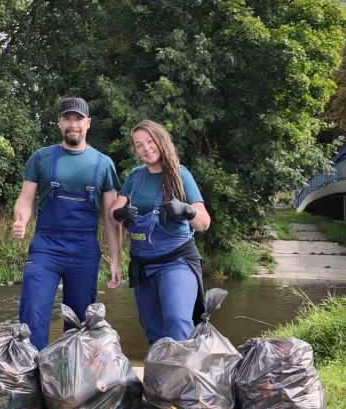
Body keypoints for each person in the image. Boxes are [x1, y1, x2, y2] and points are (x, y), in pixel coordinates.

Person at [12, 97, 122, 350]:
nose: (73, 124)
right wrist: (20, 220)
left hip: (84, 250)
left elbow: (109, 217)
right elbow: (25, 200)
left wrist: (116, 259)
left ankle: (69, 372)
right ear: (59, 123)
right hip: (45, 247)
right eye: (67, 119)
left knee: (80, 320)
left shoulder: (103, 164)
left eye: (78, 119)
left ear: (88, 123)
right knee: (33, 309)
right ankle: (31, 368)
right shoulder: (41, 158)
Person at [112, 120, 212, 344]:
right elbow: (113, 211)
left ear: (161, 141)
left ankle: (184, 376)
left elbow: (204, 223)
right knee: (153, 329)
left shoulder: (180, 174)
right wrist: (120, 213)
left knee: (177, 321)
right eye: (139, 145)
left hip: (176, 261)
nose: (146, 148)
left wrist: (186, 211)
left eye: (150, 141)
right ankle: (162, 377)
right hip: (143, 266)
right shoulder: (135, 178)